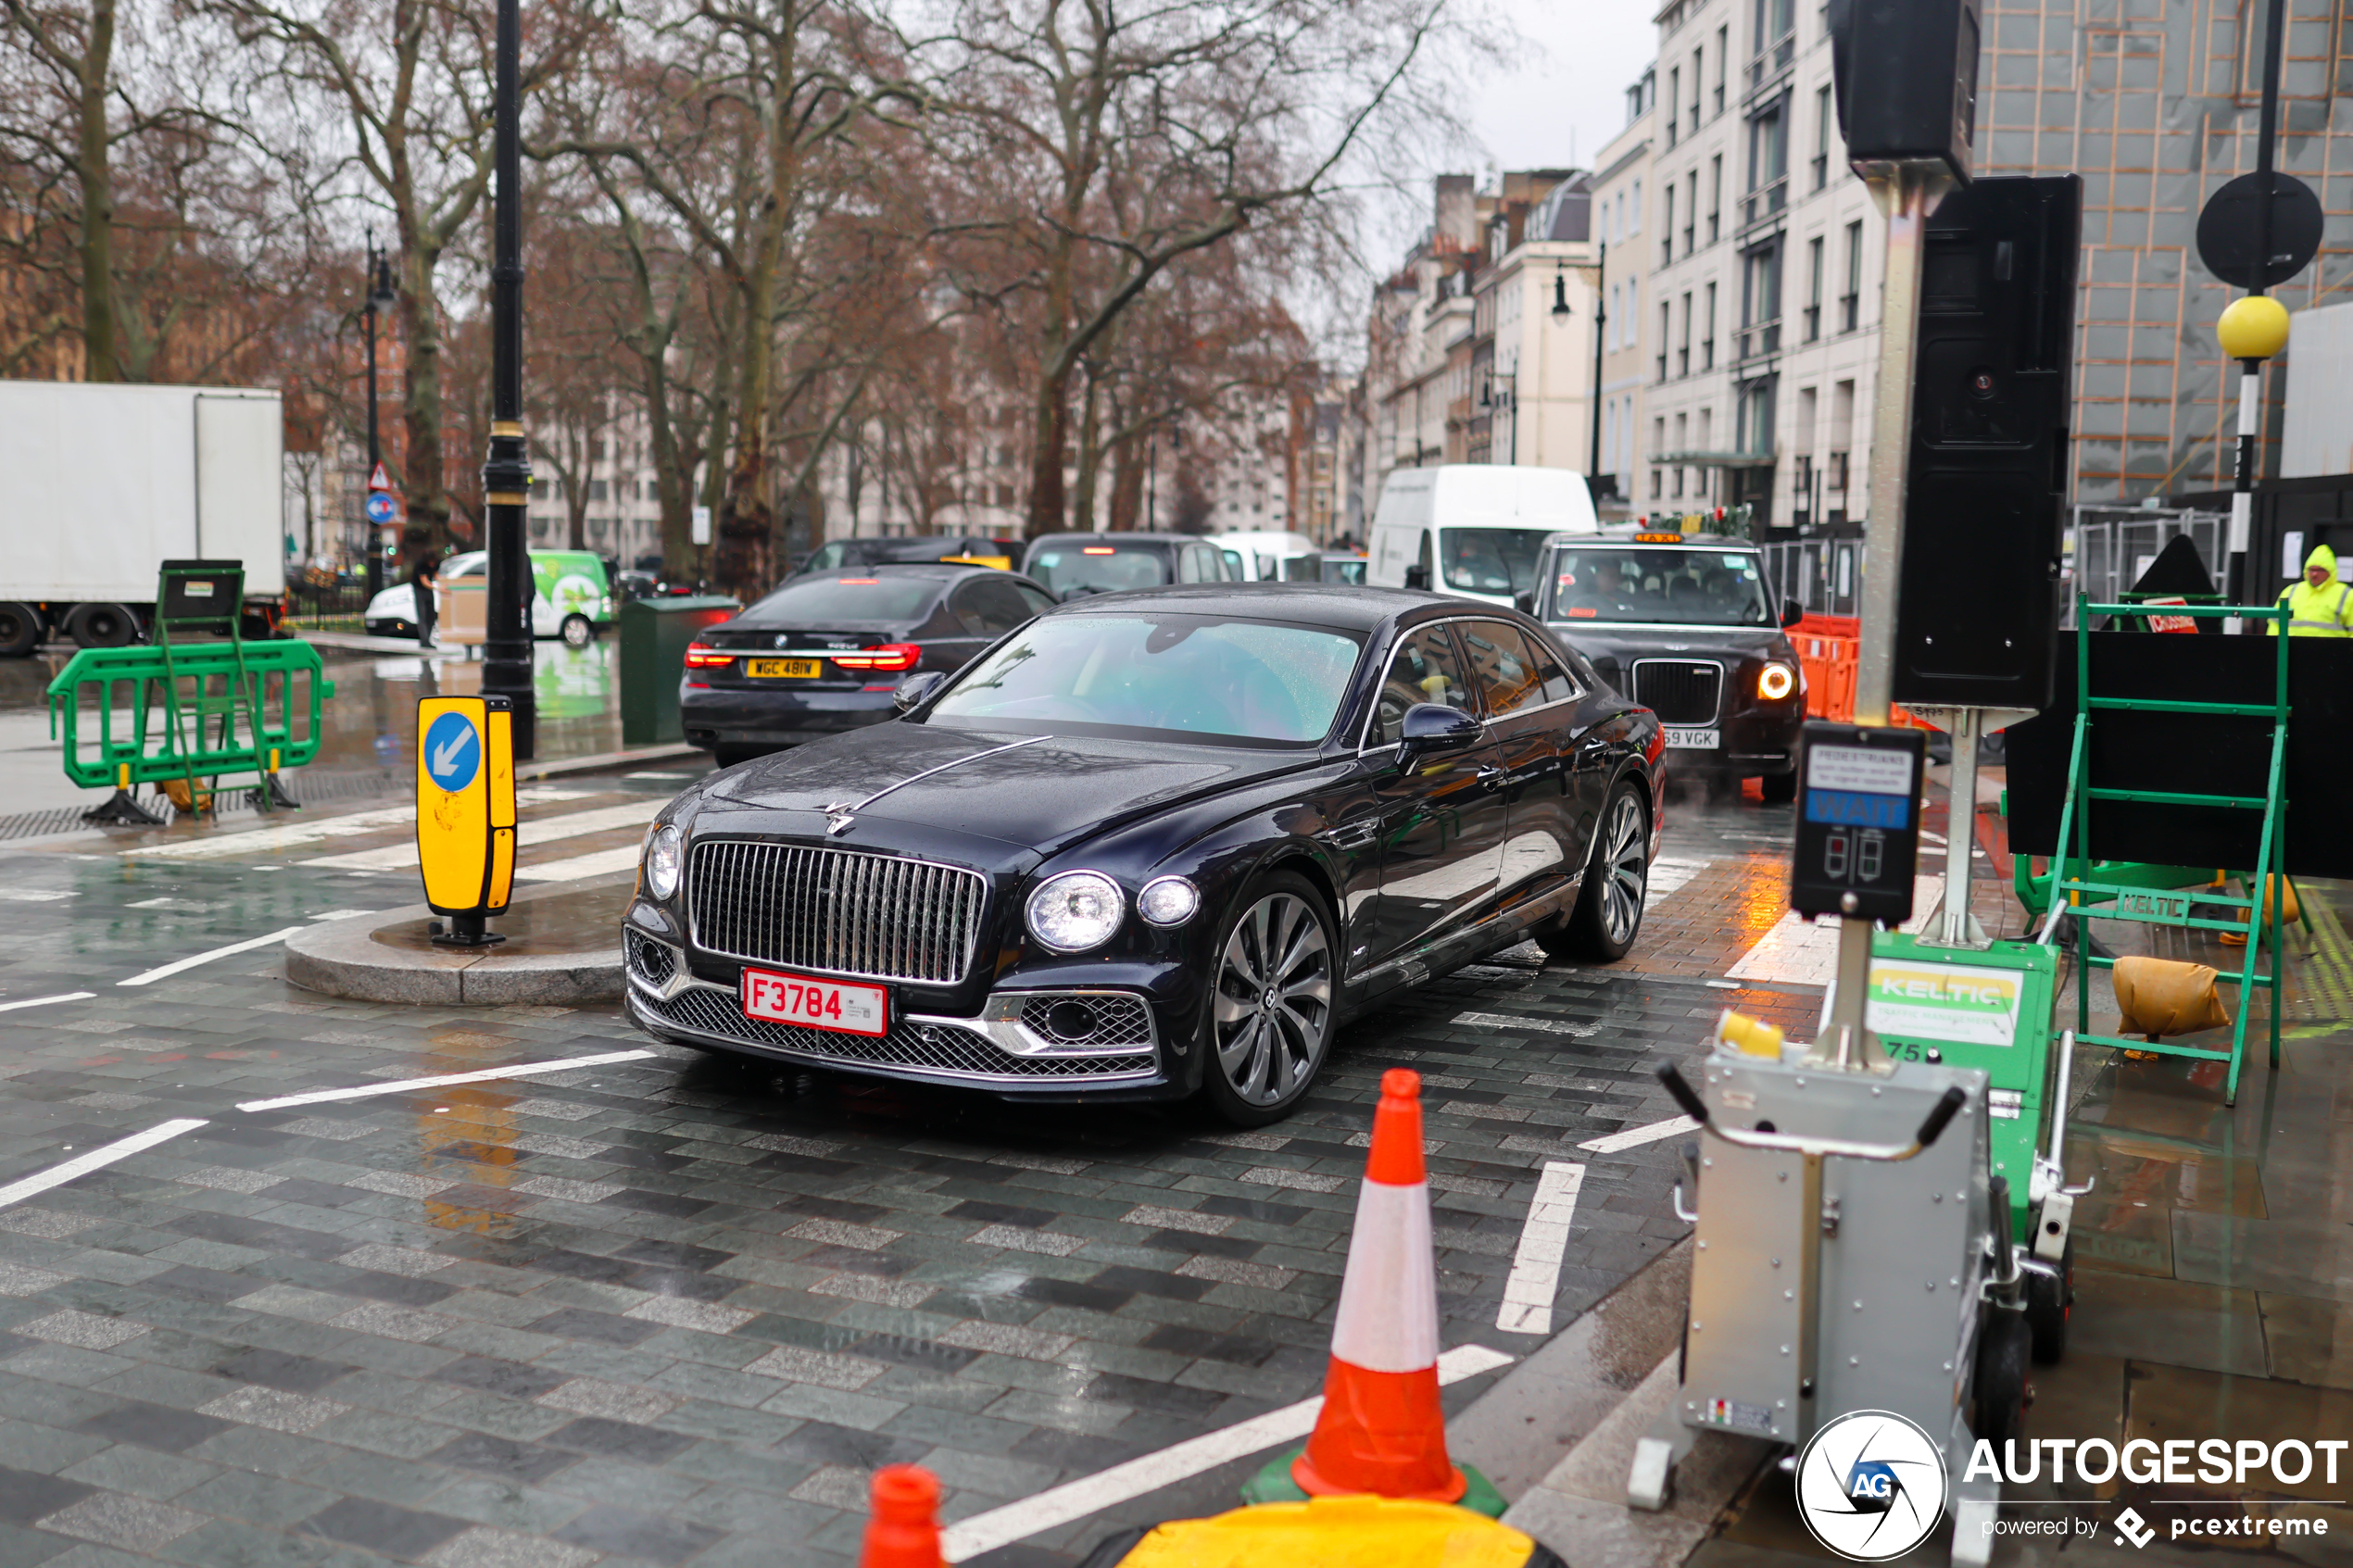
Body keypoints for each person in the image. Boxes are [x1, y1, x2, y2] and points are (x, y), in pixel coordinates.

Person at [2268, 543, 2353, 637]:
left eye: (2320, 570)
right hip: (2292, 649)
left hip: (2331, 650)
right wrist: (2274, 646)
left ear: (2331, 571)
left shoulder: (2347, 594)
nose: (2314, 574)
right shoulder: (2291, 590)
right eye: (2311, 570)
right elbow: (2275, 624)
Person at [410, 541, 439, 647]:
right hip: (419, 589)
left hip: (429, 590)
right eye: (430, 563)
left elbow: (436, 575)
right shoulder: (420, 564)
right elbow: (425, 582)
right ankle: (425, 640)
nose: (432, 565)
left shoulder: (436, 563)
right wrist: (438, 588)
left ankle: (428, 637)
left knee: (431, 615)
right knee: (422, 615)